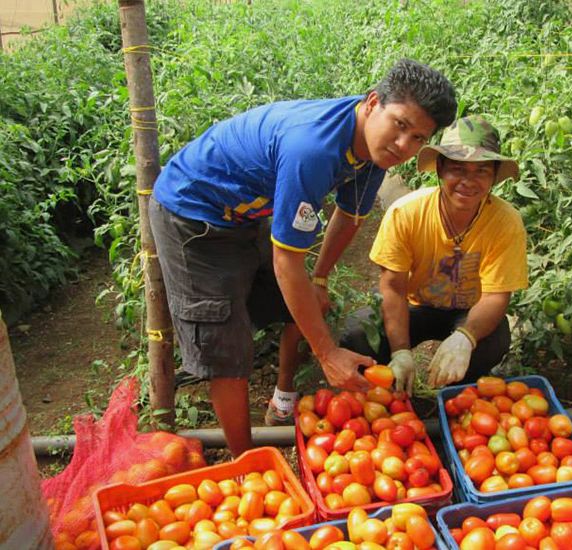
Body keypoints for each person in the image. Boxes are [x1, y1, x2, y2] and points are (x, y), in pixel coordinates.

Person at [149, 59, 457, 454]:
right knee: (226, 348)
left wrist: (321, 279)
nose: (403, 147)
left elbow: (349, 216)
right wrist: (327, 353)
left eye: (418, 138)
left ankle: (282, 401)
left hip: (246, 214)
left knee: (306, 303)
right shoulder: (312, 147)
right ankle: (250, 463)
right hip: (193, 216)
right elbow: (286, 262)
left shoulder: (375, 153)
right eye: (400, 125)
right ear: (373, 102)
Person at [339, 115, 528, 395]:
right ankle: (383, 387)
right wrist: (401, 350)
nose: (468, 181)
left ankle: (458, 393)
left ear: (494, 176)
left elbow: (496, 296)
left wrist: (466, 336)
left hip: (469, 308)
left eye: (481, 171)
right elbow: (392, 287)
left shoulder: (505, 221)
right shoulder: (407, 212)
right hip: (415, 305)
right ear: (439, 169)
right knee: (358, 333)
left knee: (494, 341)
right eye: (457, 169)